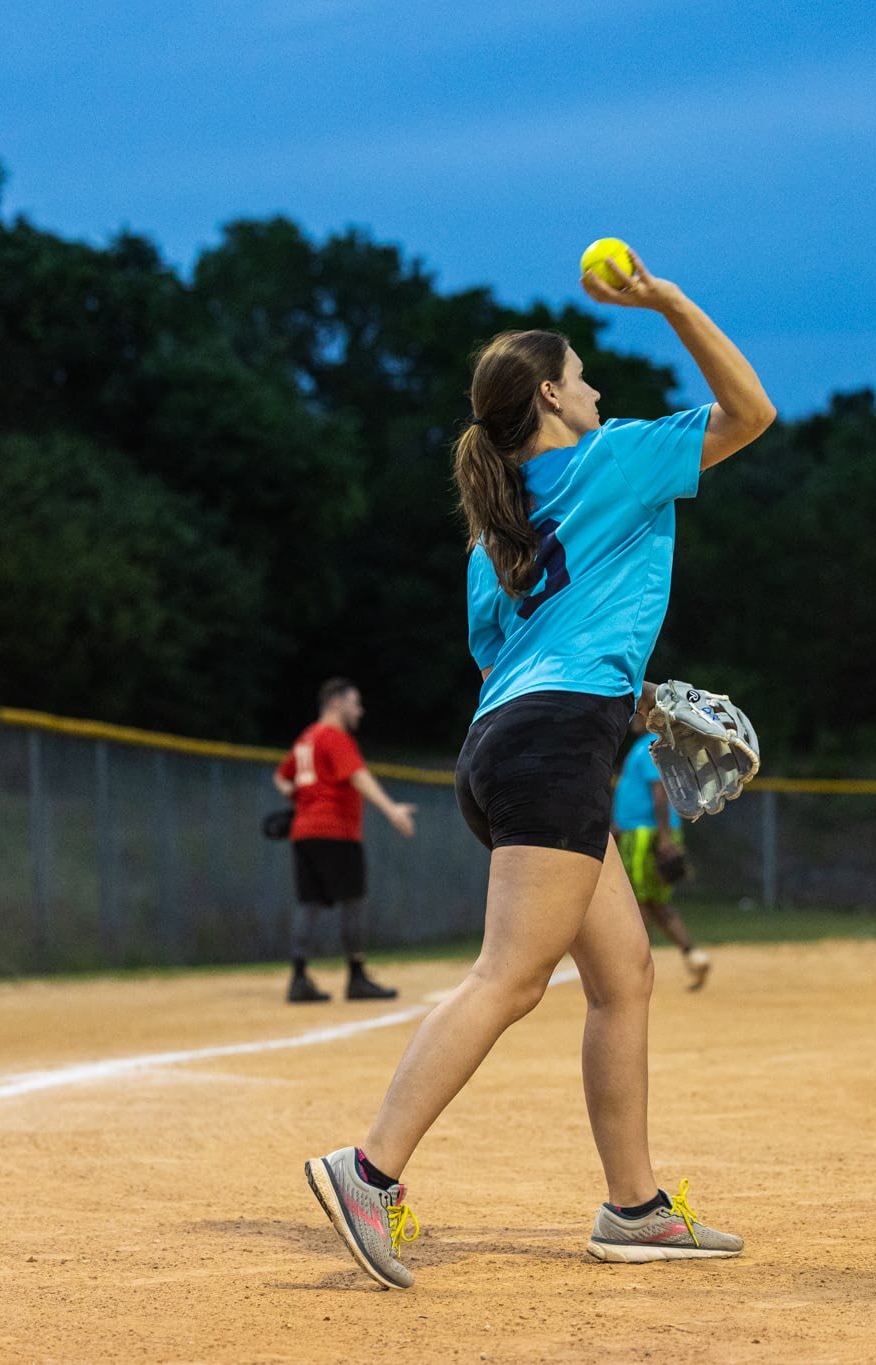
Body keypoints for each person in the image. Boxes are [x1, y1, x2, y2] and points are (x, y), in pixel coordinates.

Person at [304, 249, 774, 1289]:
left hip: (510, 744)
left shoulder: (495, 531)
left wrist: (624, 701)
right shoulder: (615, 459)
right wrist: (665, 298)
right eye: (583, 376)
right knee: (510, 978)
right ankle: (368, 1170)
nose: (597, 389)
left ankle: (634, 1208)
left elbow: (507, 664)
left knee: (624, 974)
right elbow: (752, 412)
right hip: (555, 746)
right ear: (553, 398)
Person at [274, 678, 416, 1003]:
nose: (359, 711)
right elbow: (358, 776)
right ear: (336, 703)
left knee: (309, 903)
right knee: (354, 901)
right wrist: (391, 809)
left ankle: (298, 979)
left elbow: (281, 778)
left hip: (304, 832)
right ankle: (356, 977)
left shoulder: (307, 738)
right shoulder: (334, 736)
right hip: (336, 831)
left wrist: (302, 799)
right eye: (355, 703)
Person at [613, 706, 710, 990]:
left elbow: (659, 795)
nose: (633, 717)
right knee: (655, 901)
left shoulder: (650, 747)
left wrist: (664, 838)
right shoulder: (658, 747)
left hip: (646, 834)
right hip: (648, 831)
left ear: (652, 718)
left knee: (637, 901)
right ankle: (692, 955)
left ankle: (632, 968)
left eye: (639, 712)